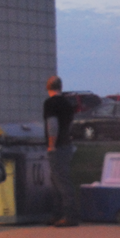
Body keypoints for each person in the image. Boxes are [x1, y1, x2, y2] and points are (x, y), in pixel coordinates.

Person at [43, 75, 79, 227]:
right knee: (57, 179)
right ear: (61, 87)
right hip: (67, 145)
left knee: (60, 181)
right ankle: (58, 214)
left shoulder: (50, 103)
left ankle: (69, 216)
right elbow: (70, 125)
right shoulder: (66, 103)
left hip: (57, 147)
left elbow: (52, 124)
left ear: (48, 87)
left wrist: (52, 145)